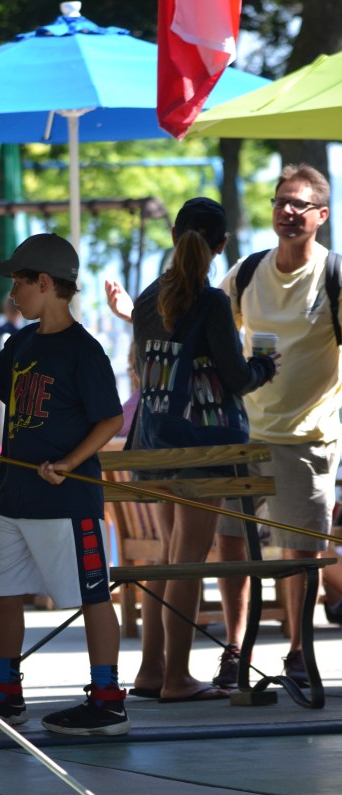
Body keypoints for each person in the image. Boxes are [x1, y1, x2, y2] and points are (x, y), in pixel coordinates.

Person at [0, 232, 130, 736]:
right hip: (17, 498)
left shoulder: (84, 352)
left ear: (45, 284)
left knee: (93, 596)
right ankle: (6, 693)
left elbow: (109, 420)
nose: (11, 296)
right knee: (5, 591)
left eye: (18, 284)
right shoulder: (21, 342)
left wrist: (69, 462)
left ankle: (108, 700)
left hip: (67, 501)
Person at [107, 198, 279, 702]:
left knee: (167, 556)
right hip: (203, 442)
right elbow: (236, 377)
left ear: (176, 233)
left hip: (153, 439)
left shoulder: (144, 299)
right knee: (188, 559)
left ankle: (151, 670)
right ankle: (177, 678)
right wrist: (265, 366)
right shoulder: (210, 302)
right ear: (221, 246)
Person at [213, 164, 342, 688]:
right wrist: (139, 316)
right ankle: (235, 652)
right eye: (280, 202)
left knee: (300, 551)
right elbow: (208, 328)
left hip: (307, 439)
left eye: (299, 205)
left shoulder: (333, 276)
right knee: (230, 542)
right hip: (243, 434)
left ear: (321, 216)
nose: (287, 212)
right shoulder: (247, 272)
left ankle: (297, 652)